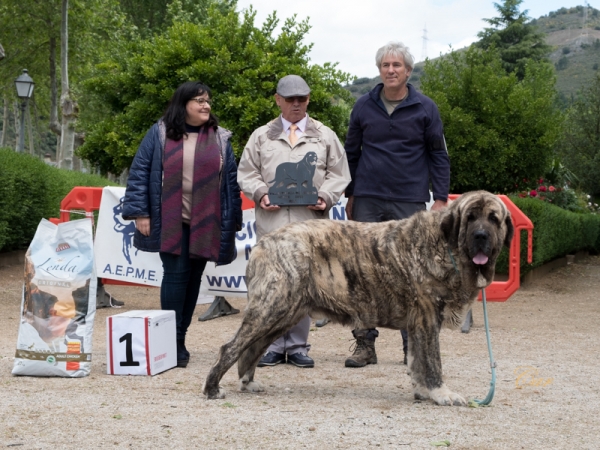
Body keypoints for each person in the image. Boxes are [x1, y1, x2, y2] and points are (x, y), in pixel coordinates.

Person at [343, 41, 450, 368]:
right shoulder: (363, 105)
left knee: (413, 273)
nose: (391, 70)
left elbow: (438, 155)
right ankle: (364, 345)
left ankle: (412, 346)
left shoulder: (426, 107)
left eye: (397, 65)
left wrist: (441, 198)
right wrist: (350, 194)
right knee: (361, 271)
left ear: (408, 70)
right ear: (380, 70)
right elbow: (351, 153)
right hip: (368, 198)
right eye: (385, 65)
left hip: (410, 200)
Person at [123, 81, 243, 368]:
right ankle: (171, 340)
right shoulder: (160, 134)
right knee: (176, 275)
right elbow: (140, 172)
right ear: (183, 104)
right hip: (170, 219)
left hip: (206, 222)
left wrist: (232, 221)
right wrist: (141, 213)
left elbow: (230, 184)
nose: (206, 105)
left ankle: (179, 336)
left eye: (208, 101)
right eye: (199, 100)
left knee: (193, 279)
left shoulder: (219, 138)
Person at [238, 74, 351, 369]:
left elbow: (340, 173)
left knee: (305, 284)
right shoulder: (261, 136)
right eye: (290, 99)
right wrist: (261, 192)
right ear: (278, 100)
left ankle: (298, 345)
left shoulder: (325, 135)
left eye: (302, 98)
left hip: (310, 223)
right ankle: (273, 345)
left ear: (308, 99)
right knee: (272, 284)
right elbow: (246, 172)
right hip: (272, 223)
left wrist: (326, 196)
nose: (296, 104)